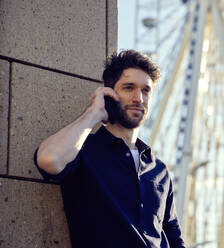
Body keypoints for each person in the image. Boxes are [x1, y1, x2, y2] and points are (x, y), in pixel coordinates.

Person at [34, 50, 186, 248]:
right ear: (110, 94)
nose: (138, 98)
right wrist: (94, 113)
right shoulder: (84, 152)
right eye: (129, 88)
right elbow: (49, 159)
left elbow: (174, 237)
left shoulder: (159, 171)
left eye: (146, 90)